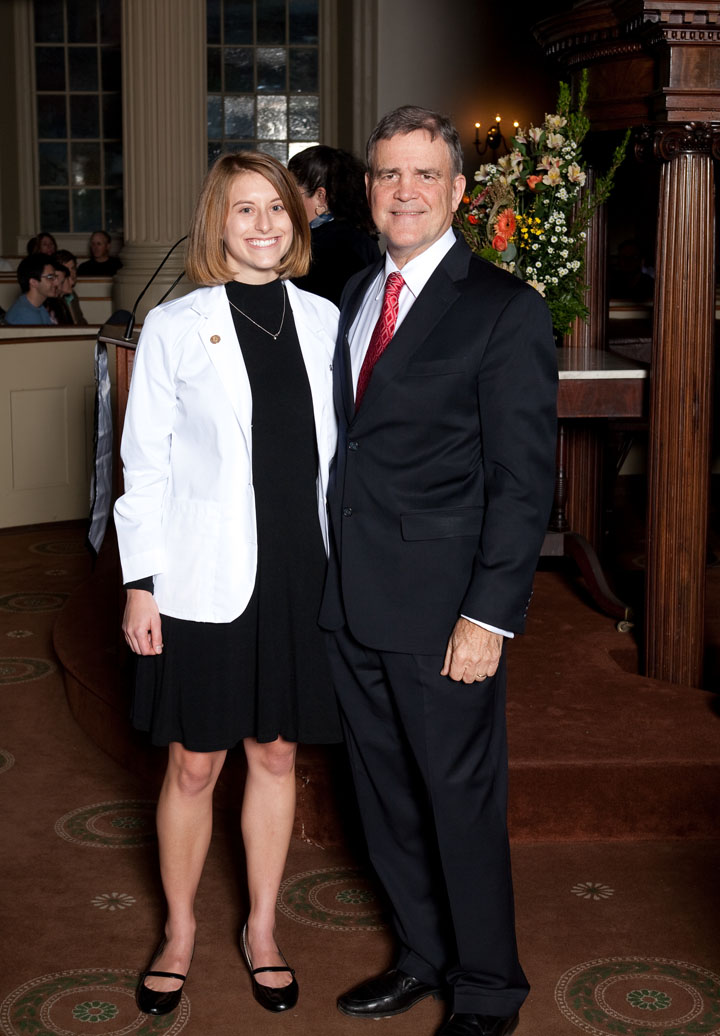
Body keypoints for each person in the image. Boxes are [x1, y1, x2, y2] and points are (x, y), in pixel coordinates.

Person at [319, 106, 558, 1036]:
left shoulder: (504, 307)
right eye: (389, 174)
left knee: (459, 804)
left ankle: (488, 986)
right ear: (367, 190)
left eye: (426, 174)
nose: (405, 191)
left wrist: (488, 616)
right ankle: (423, 954)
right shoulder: (353, 293)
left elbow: (522, 481)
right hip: (350, 601)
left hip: (445, 613)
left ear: (459, 191)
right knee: (383, 800)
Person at [114, 151, 341, 1017]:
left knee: (276, 754)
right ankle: (178, 931)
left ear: (297, 217)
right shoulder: (176, 325)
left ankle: (264, 928)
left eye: (276, 207)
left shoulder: (326, 319)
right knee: (195, 762)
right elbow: (145, 463)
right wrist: (141, 583)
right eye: (244, 209)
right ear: (218, 221)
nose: (263, 224)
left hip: (301, 568)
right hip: (202, 573)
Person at [288, 145, 380, 305]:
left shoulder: (328, 249)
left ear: (321, 197)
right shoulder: (359, 235)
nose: (285, 200)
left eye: (292, 193)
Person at [4, 254, 56, 325]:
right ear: (33, 282)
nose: (55, 282)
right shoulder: (24, 314)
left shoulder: (39, 307)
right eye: (50, 277)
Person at [55, 249, 88, 324]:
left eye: (73, 268)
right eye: (66, 270)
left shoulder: (73, 295)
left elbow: (80, 321)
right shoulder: (53, 299)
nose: (71, 274)